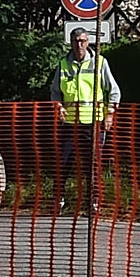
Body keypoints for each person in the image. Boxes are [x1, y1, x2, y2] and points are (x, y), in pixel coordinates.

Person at [47, 25, 120, 214]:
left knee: (92, 164)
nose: (79, 45)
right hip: (70, 123)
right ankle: (59, 201)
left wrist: (110, 113)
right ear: (71, 43)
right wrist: (58, 106)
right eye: (76, 41)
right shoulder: (63, 64)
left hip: (93, 122)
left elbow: (113, 91)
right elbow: (55, 91)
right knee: (63, 163)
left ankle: (93, 202)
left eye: (83, 41)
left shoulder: (99, 63)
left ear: (88, 42)